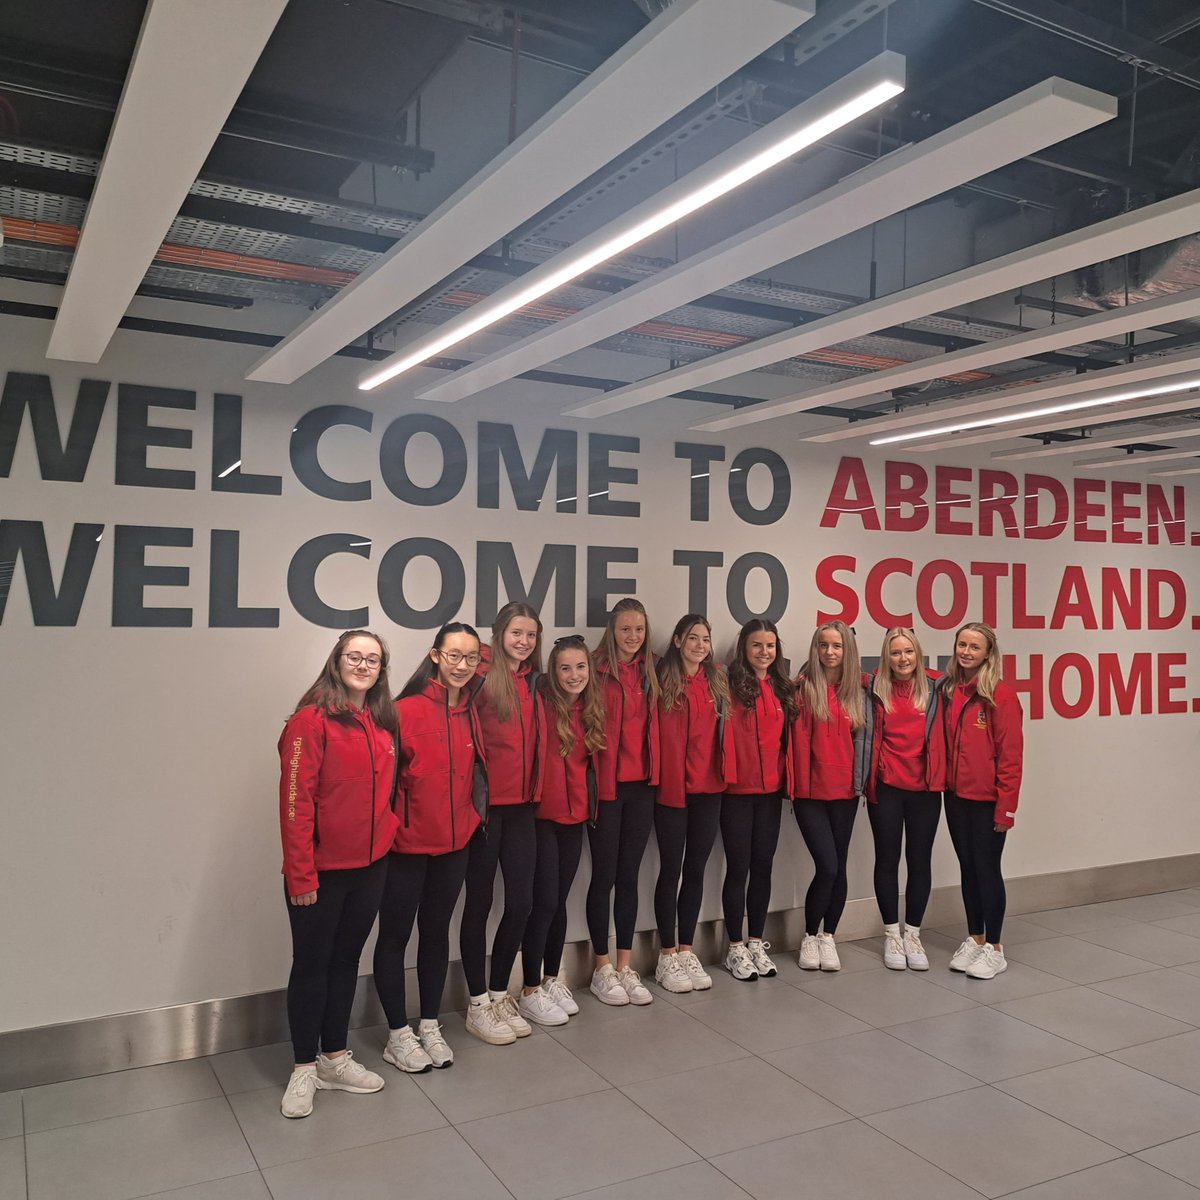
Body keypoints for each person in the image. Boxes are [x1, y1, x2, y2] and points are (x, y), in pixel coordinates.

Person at [277, 630, 399, 1118]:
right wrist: (301, 876)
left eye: (373, 659)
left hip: (370, 869)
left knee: (346, 962)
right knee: (311, 966)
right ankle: (303, 1068)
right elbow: (294, 804)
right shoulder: (310, 722)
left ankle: (333, 1057)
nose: (363, 665)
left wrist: (388, 836)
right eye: (355, 656)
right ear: (337, 661)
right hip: (320, 875)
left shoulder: (380, 723)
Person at [372, 623, 485, 1072]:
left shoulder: (472, 710)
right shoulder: (402, 711)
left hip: (454, 848)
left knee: (436, 934)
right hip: (406, 849)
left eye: (471, 658)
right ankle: (397, 1033)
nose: (462, 666)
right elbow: (384, 786)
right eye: (454, 656)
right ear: (435, 656)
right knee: (395, 937)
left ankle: (430, 1024)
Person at [460, 602, 542, 1046]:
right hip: (487, 810)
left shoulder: (532, 680)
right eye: (516, 633)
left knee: (522, 903)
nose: (524, 642)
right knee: (478, 905)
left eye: (530, 635)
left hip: (523, 808)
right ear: (498, 633)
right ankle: (476, 1004)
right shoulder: (479, 673)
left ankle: (497, 993)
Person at [518, 635, 607, 1025]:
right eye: (565, 668)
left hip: (575, 818)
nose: (574, 675)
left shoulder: (590, 709)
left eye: (581, 667)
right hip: (541, 817)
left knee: (560, 903)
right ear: (552, 673)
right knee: (545, 903)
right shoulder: (540, 704)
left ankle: (553, 977)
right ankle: (529, 989)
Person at [653, 614, 734, 993]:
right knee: (670, 870)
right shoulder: (660, 678)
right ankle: (666, 954)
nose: (700, 645)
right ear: (676, 639)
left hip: (709, 789)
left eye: (705, 639)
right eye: (692, 638)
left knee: (696, 869)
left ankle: (687, 948)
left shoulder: (716, 680)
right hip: (671, 791)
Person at [586, 597, 661, 1006]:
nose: (633, 637)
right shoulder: (594, 668)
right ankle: (601, 967)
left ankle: (625, 964)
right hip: (606, 788)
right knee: (604, 877)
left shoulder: (652, 670)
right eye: (625, 629)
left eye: (639, 629)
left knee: (629, 876)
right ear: (612, 632)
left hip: (642, 787)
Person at [941, 622, 1024, 980]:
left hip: (988, 800)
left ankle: (994, 947)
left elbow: (1011, 756)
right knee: (968, 867)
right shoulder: (950, 690)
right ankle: (974, 938)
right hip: (955, 796)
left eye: (975, 647)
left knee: (987, 869)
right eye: (962, 645)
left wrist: (1006, 807)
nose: (967, 652)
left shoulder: (1000, 695)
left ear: (988, 653)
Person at [790, 620, 868, 972]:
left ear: (847, 650)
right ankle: (809, 935)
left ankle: (828, 937)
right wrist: (795, 790)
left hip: (845, 793)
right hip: (809, 794)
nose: (830, 652)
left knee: (839, 866)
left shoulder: (859, 692)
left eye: (837, 646)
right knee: (828, 865)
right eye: (824, 645)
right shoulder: (803, 689)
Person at [866, 628, 945, 971]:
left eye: (908, 652)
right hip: (886, 787)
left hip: (925, 788)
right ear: (887, 655)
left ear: (918, 654)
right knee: (886, 859)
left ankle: (912, 933)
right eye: (896, 653)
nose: (903, 659)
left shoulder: (936, 687)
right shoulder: (872, 687)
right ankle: (891, 935)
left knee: (919, 860)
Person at [722, 619, 796, 981]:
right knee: (738, 869)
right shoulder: (729, 684)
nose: (764, 652)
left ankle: (755, 941)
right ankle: (734, 946)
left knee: (762, 866)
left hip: (770, 794)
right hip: (736, 793)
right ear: (744, 648)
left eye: (770, 645)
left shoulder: (783, 687)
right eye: (756, 645)